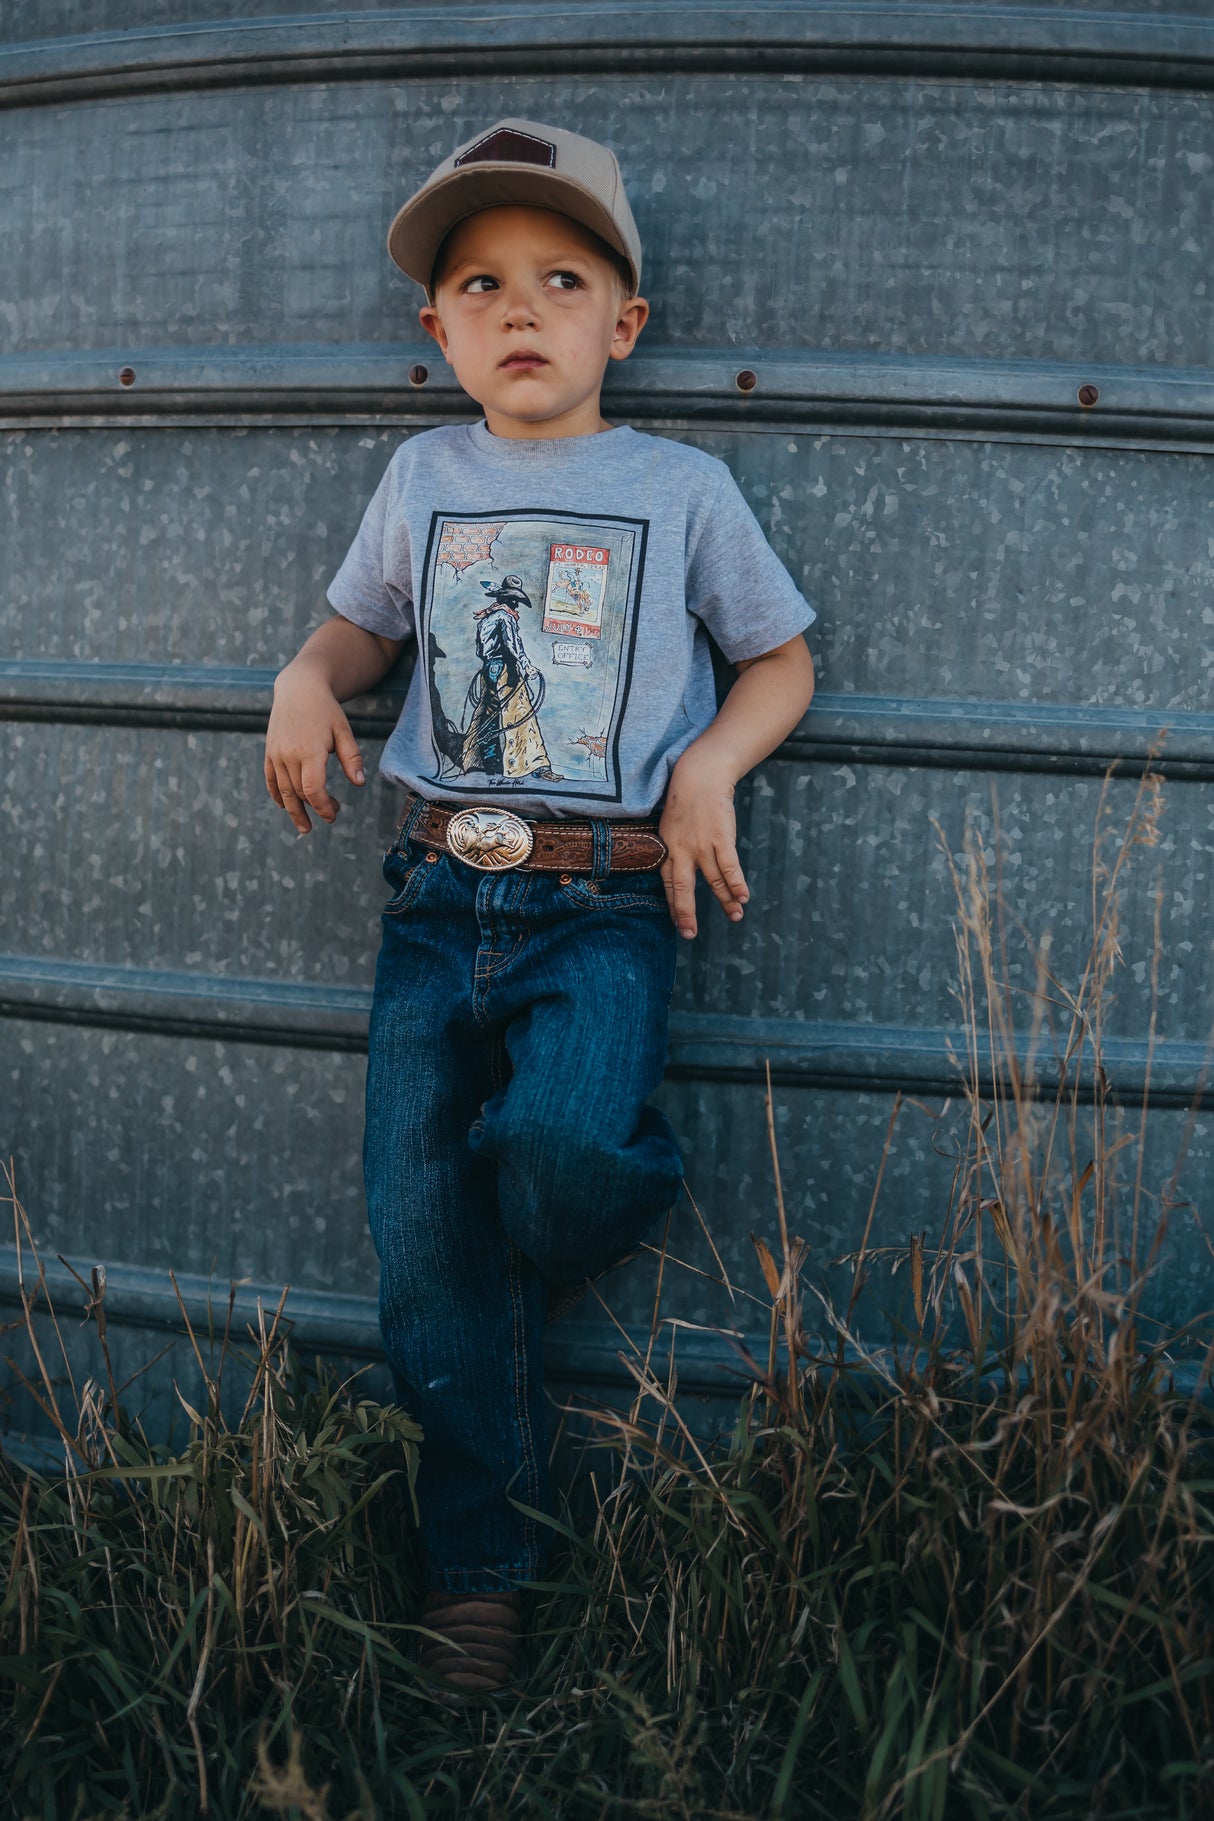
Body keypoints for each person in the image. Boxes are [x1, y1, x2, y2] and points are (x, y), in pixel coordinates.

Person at [263, 118, 817, 1697]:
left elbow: (780, 657)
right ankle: (481, 1572)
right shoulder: (419, 477)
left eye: (560, 278)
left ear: (619, 326)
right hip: (438, 898)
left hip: (604, 905)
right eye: (480, 283)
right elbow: (353, 636)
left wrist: (708, 767)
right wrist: (304, 680)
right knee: (422, 1246)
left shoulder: (680, 487)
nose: (520, 307)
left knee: (555, 1162)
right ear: (436, 330)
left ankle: (553, 1188)